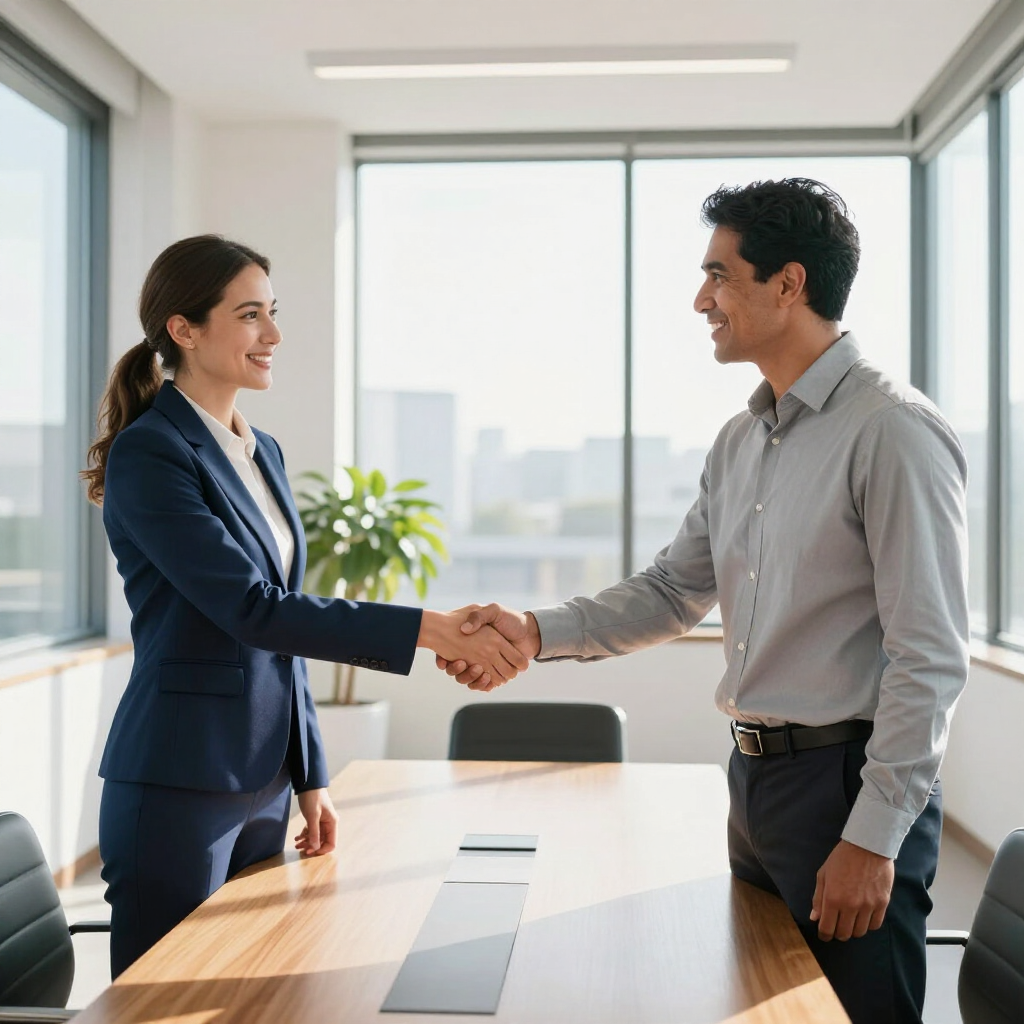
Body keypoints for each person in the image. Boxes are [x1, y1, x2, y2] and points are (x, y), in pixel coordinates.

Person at [438, 179, 969, 1024]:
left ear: (788, 284)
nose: (701, 300)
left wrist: (872, 836)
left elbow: (930, 652)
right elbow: (671, 592)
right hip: (755, 780)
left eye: (719, 276)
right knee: (762, 1001)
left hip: (844, 785)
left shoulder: (891, 430)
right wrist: (532, 632)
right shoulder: (741, 440)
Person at [82, 234, 528, 977]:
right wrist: (430, 628)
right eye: (251, 315)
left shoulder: (265, 452)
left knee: (245, 986)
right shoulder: (152, 453)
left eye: (273, 312)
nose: (274, 336)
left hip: (262, 781)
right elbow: (253, 610)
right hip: (180, 778)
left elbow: (279, 634)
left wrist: (308, 772)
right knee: (162, 995)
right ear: (183, 329)